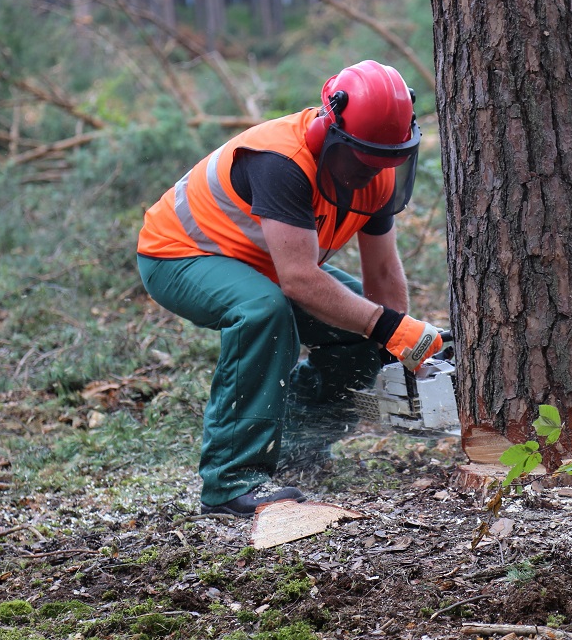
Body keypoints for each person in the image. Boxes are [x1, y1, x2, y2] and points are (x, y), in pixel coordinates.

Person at [137, 60, 443, 517]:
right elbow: (299, 279)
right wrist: (389, 329)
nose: (370, 172)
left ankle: (302, 442)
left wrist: (397, 344)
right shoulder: (281, 161)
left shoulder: (377, 168)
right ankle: (230, 481)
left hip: (265, 264)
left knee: (360, 325)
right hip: (180, 253)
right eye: (362, 158)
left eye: (385, 161)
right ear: (331, 129)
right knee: (265, 311)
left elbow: (381, 275)